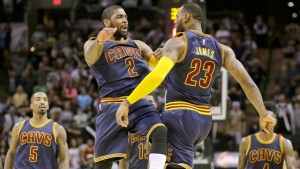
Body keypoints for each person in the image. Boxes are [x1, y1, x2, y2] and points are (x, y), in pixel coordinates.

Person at [116, 3, 276, 168]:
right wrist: (263, 113)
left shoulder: (177, 43)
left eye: (178, 16)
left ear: (186, 17)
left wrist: (128, 102)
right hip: (203, 122)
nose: (176, 20)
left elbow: (157, 75)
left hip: (180, 115)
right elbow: (247, 83)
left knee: (148, 129)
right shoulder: (222, 50)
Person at [83, 5, 167, 169]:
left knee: (160, 132)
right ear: (107, 22)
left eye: (126, 17)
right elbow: (90, 59)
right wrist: (100, 40)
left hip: (136, 101)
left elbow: (158, 66)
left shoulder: (138, 45)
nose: (125, 21)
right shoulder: (94, 43)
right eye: (120, 17)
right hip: (112, 104)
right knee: (104, 163)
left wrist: (163, 55)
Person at [4, 91, 69, 169]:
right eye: (38, 99)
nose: (42, 102)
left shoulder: (58, 129)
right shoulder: (19, 127)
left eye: (45, 100)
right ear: (31, 106)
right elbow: (11, 154)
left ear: (48, 106)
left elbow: (63, 159)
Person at [238, 102, 297, 169]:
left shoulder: (285, 143)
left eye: (269, 121)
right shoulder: (245, 142)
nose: (266, 124)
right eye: (264, 120)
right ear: (259, 120)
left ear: (275, 122)